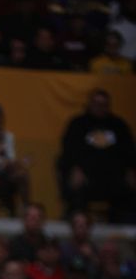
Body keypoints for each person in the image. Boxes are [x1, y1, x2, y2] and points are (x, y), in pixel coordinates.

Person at [58, 88, 136, 222]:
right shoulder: (77, 124)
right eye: (96, 103)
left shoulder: (119, 125)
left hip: (114, 177)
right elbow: (68, 150)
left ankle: (123, 221)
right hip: (86, 175)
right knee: (72, 180)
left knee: (129, 187)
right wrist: (75, 168)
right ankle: (75, 217)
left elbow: (129, 150)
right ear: (89, 104)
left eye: (103, 104)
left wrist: (131, 169)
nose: (100, 107)